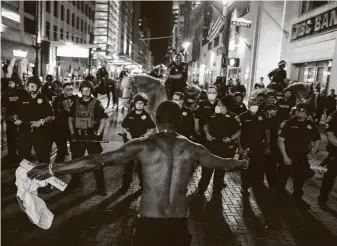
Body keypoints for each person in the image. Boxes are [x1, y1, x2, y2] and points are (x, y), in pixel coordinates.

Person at [27, 100, 249, 246]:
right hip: (178, 224)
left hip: (149, 224)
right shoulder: (193, 148)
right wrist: (243, 163)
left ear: (155, 119)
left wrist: (52, 168)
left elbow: (96, 160)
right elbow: (225, 164)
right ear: (180, 121)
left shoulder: (143, 145)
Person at [14, 76, 54, 192]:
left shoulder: (44, 99)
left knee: (43, 158)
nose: (31, 87)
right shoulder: (22, 99)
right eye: (29, 85)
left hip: (40, 133)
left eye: (33, 85)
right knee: (23, 158)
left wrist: (41, 122)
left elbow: (51, 116)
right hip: (24, 132)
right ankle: (25, 182)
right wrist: (17, 119)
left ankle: (46, 183)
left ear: (38, 87)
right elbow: (16, 113)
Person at [68, 80, 108, 196]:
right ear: (80, 91)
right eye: (83, 90)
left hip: (91, 135)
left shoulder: (97, 103)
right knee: (75, 161)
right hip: (78, 135)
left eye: (88, 90)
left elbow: (103, 120)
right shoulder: (75, 103)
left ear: (91, 91)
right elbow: (70, 119)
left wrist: (98, 134)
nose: (85, 92)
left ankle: (101, 186)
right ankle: (74, 182)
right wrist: (72, 134)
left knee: (96, 162)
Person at [277, 103, 320, 209]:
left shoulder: (310, 125)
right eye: (297, 110)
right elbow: (280, 140)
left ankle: (297, 198)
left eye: (301, 111)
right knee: (282, 177)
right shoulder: (288, 123)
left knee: (300, 178)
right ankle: (278, 198)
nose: (298, 112)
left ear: (306, 113)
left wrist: (312, 152)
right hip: (289, 155)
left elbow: (317, 139)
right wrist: (285, 156)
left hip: (302, 157)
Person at [197, 95, 240, 199]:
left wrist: (231, 139)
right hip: (212, 147)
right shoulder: (213, 115)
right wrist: (207, 134)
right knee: (207, 170)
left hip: (224, 148)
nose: (218, 106)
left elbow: (239, 130)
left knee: (220, 171)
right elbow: (206, 125)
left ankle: (216, 191)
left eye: (220, 105)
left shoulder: (234, 117)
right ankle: (201, 190)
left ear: (226, 107)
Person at [120, 93, 156, 191]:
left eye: (141, 103)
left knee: (142, 166)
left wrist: (145, 136)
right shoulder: (130, 114)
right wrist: (127, 133)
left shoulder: (147, 116)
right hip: (131, 144)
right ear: (134, 104)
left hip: (142, 145)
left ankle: (143, 185)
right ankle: (126, 184)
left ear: (144, 104)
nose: (139, 105)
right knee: (128, 165)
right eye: (137, 103)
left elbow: (152, 128)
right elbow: (123, 126)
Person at [236, 97, 271, 196]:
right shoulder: (242, 116)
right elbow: (239, 133)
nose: (254, 107)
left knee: (259, 168)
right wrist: (240, 147)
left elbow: (267, 133)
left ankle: (258, 187)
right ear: (248, 106)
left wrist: (268, 146)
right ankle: (245, 187)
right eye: (252, 105)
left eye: (256, 105)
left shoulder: (262, 116)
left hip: (259, 147)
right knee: (245, 168)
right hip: (246, 148)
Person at [1, 76, 25, 165]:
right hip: (10, 120)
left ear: (16, 83)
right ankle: (12, 155)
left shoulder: (23, 93)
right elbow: (3, 105)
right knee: (11, 139)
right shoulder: (7, 92)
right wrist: (4, 114)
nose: (9, 84)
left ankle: (23, 157)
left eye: (11, 83)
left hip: (21, 121)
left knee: (22, 140)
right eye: (8, 83)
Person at [51, 82, 77, 162]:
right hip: (60, 128)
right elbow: (53, 113)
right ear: (63, 90)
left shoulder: (76, 99)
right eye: (67, 89)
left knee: (75, 149)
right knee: (61, 149)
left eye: (71, 89)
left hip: (72, 128)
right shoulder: (57, 99)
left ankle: (76, 166)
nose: (70, 91)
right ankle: (58, 168)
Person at [318, 110, 337, 209]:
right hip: (336, 152)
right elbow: (330, 135)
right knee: (330, 177)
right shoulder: (335, 116)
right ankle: (322, 199)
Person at [264, 104, 283, 192]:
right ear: (268, 111)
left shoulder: (278, 119)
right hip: (265, 145)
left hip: (274, 145)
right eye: (273, 110)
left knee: (272, 165)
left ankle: (273, 184)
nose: (275, 111)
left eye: (275, 110)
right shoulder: (263, 119)